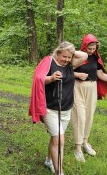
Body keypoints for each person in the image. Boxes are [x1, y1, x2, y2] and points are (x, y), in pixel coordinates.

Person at [29, 41, 88, 175]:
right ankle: (59, 172)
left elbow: (84, 56)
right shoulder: (49, 62)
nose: (66, 60)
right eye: (64, 56)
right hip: (50, 108)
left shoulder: (70, 64)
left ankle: (49, 160)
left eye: (69, 57)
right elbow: (38, 79)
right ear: (58, 53)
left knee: (55, 137)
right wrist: (50, 78)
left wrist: (71, 51)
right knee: (59, 140)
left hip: (66, 108)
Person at [71, 34, 107, 162]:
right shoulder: (78, 57)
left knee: (88, 116)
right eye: (90, 49)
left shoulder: (95, 58)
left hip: (92, 88)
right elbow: (67, 71)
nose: (92, 51)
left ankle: (85, 142)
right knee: (79, 117)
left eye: (94, 48)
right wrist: (77, 74)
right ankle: (77, 148)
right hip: (77, 88)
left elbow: (99, 74)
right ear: (84, 46)